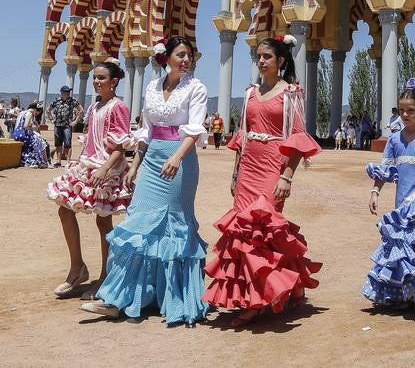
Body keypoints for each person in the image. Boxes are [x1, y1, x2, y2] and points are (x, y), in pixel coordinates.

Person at [82, 36, 210, 326]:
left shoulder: (196, 88)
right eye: (181, 55)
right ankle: (120, 298)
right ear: (167, 58)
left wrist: (177, 158)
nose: (186, 60)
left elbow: (194, 129)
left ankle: (173, 296)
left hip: (180, 160)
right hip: (152, 160)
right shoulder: (152, 87)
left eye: (189, 55)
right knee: (136, 223)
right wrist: (135, 166)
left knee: (173, 225)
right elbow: (146, 129)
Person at [202, 34, 322, 327]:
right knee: (241, 231)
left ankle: (260, 299)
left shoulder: (291, 94)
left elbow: (297, 139)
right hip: (248, 169)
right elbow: (242, 136)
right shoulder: (251, 92)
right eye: (258, 56)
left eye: (267, 56)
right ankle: (264, 293)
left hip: (272, 167)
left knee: (264, 230)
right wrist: (235, 171)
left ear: (281, 61)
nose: (261, 60)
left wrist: (287, 176)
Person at [48, 60, 132, 298]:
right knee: (65, 210)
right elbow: (92, 139)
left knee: (103, 221)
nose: (96, 82)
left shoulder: (119, 107)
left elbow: (121, 146)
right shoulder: (94, 107)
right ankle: (78, 267)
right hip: (88, 165)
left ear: (114, 82)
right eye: (95, 77)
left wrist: (105, 169)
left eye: (101, 78)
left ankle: (107, 275)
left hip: (107, 169)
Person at [363, 80, 415, 310]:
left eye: (410, 111)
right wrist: (375, 191)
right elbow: (385, 169)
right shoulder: (394, 140)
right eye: (401, 110)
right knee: (400, 247)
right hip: (400, 203)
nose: (405, 115)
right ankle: (402, 293)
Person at [48, 86, 83, 167]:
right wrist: (51, 119)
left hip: (67, 125)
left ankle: (68, 162)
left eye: (68, 92)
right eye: (66, 92)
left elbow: (81, 110)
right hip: (57, 125)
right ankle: (58, 161)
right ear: (62, 92)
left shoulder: (72, 101)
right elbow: (48, 109)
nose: (68, 93)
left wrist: (76, 121)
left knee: (68, 143)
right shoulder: (56, 101)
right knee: (58, 143)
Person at [12, 102, 49, 167]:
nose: (36, 114)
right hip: (23, 134)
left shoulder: (22, 112)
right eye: (37, 112)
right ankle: (43, 161)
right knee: (41, 141)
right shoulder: (29, 113)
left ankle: (39, 161)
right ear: (35, 109)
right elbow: (26, 126)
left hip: (16, 134)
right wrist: (33, 128)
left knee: (38, 139)